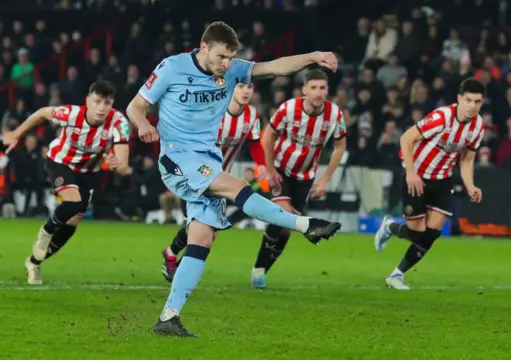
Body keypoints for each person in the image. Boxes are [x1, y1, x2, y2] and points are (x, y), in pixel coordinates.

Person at [125, 21, 342, 337]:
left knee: (201, 239)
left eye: (230, 59)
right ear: (204, 48)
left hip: (207, 158)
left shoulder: (234, 71)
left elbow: (275, 67)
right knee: (238, 186)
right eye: (221, 57)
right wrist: (143, 124)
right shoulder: (172, 68)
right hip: (178, 156)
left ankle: (168, 317)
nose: (226, 65)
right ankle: (305, 226)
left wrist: (314, 55)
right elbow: (135, 105)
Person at [2, 80, 132, 285]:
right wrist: (17, 134)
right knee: (72, 204)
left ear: (112, 103)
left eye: (107, 103)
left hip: (89, 173)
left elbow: (124, 167)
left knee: (72, 222)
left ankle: (34, 261)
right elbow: (43, 113)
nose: (101, 108)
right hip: (60, 162)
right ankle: (46, 230)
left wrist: (117, 165)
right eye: (97, 101)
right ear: (88, 101)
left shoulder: (119, 123)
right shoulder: (71, 114)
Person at [373, 78, 485, 290]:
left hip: (442, 180)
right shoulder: (442, 117)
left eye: (477, 101)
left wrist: (470, 186)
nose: (472, 106)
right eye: (468, 100)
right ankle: (389, 227)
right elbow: (406, 138)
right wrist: (411, 173)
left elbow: (467, 159)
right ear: (459, 99)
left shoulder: (478, 126)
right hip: (416, 176)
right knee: (417, 232)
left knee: (432, 233)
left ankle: (396, 275)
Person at [251, 69, 347, 288]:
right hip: (281, 169)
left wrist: (324, 179)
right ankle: (258, 271)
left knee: (286, 228)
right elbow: (269, 136)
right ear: (304, 90)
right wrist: (269, 168)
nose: (318, 93)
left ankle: (261, 269)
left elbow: (340, 146)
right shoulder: (289, 109)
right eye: (313, 88)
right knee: (283, 216)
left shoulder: (335, 115)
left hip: (305, 176)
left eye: (322, 88)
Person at [161, 82, 266, 282]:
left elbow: (254, 145)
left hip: (219, 181)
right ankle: (179, 267)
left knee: (211, 234)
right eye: (241, 86)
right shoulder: (212, 109)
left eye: (250, 87)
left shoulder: (252, 116)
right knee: (200, 230)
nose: (245, 91)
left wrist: (262, 165)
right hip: (194, 175)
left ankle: (172, 254)